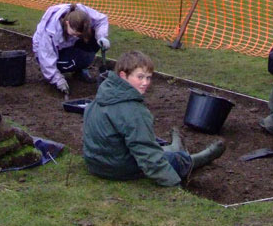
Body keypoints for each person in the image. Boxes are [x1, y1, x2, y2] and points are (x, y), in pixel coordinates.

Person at [82, 50, 225, 186]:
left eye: (148, 77)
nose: (145, 82)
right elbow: (146, 154)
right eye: (140, 77)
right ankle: (197, 159)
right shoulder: (134, 111)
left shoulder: (103, 96)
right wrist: (172, 182)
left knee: (152, 147)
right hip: (118, 168)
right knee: (174, 160)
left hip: (96, 163)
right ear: (123, 76)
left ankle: (174, 148)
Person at [33, 2, 111, 96]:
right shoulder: (50, 32)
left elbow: (101, 20)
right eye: (74, 34)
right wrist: (58, 80)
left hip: (69, 44)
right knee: (69, 63)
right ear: (67, 23)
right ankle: (62, 71)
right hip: (48, 54)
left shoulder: (82, 13)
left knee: (93, 40)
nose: (77, 36)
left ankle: (79, 69)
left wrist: (101, 37)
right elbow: (46, 59)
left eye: (79, 35)